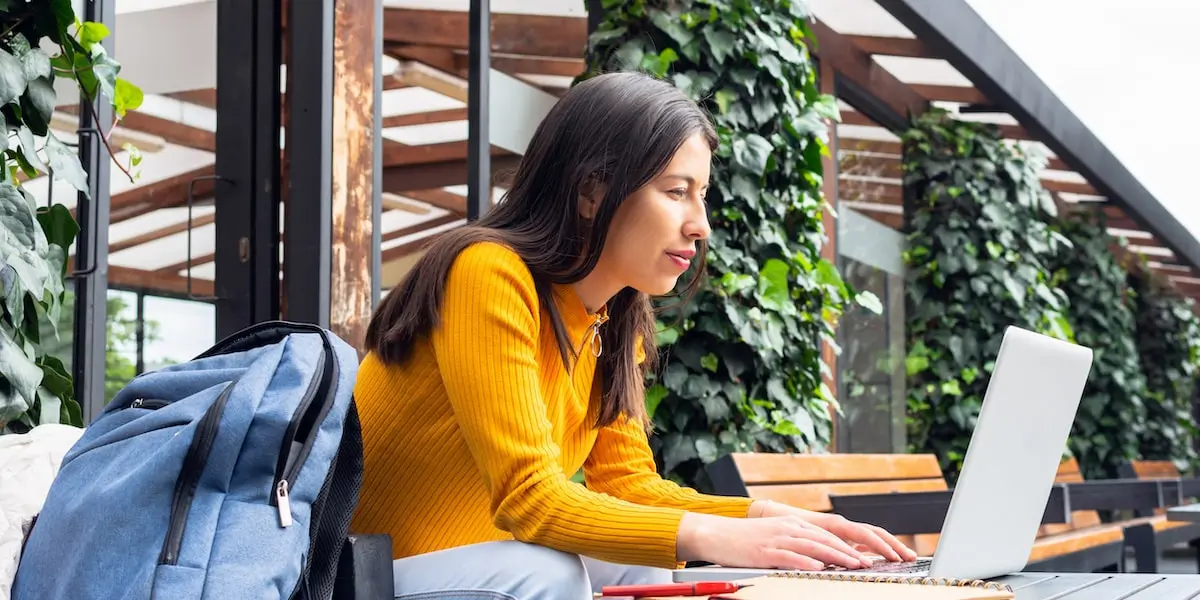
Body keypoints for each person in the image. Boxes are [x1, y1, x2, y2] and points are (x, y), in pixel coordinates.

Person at [351, 71, 917, 600]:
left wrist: (765, 519)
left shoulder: (614, 317)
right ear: (592, 192)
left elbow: (626, 484)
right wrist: (716, 537)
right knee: (551, 569)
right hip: (365, 576)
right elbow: (531, 500)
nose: (700, 223)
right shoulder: (487, 273)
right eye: (676, 191)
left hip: (472, 568)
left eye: (702, 195)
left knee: (639, 562)